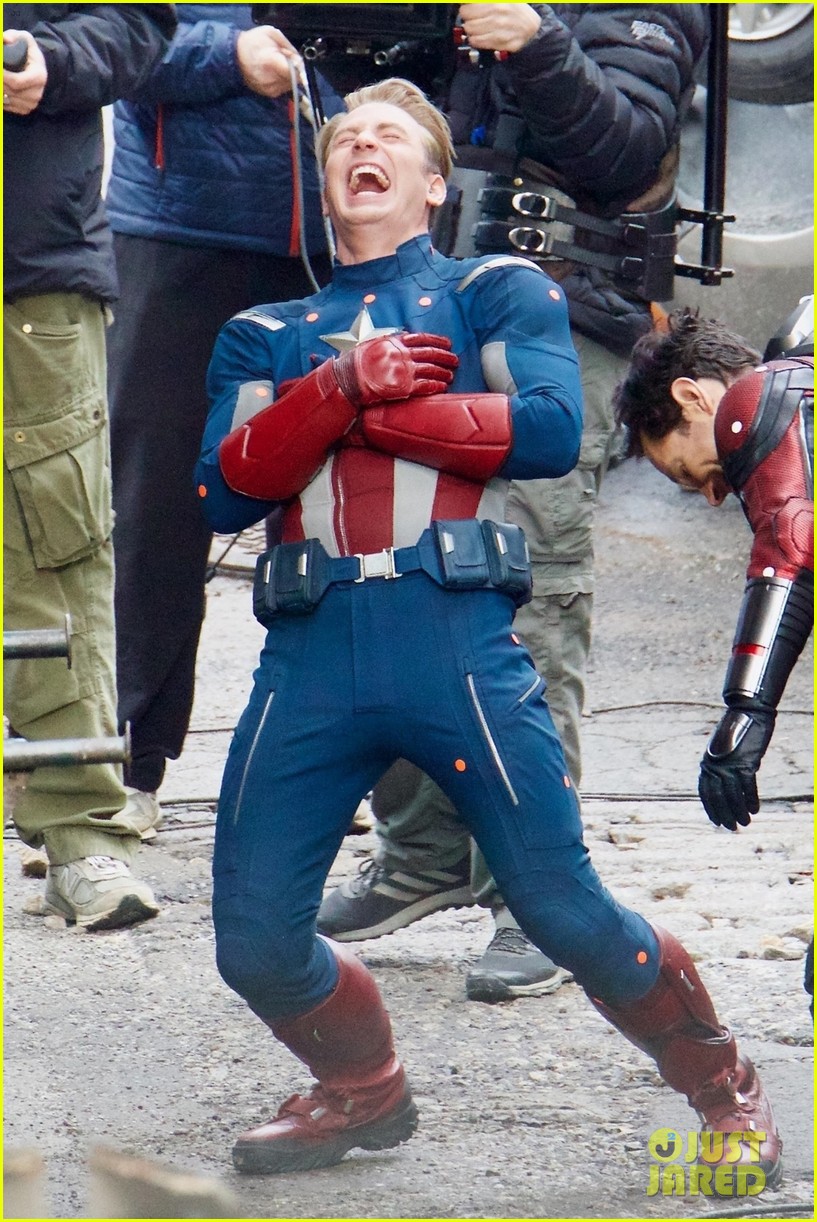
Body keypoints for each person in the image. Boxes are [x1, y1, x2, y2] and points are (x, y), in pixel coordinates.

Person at [195, 78, 780, 1188]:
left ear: (432, 184)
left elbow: (551, 430)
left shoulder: (494, 288)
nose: (362, 148)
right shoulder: (261, 332)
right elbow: (224, 489)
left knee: (562, 908)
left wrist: (360, 408)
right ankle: (361, 1086)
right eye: (344, 139)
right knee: (253, 941)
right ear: (324, 178)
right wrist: (336, 386)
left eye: (389, 138)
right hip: (309, 649)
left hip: (453, 638)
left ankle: (723, 1088)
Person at [317, 1, 708, 1003]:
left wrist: (533, 40)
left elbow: (628, 149)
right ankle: (423, 853)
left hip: (558, 323)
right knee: (379, 569)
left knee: (523, 606)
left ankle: (536, 898)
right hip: (424, 301)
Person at [104, 5, 340, 821]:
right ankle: (129, 761)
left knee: (337, 512)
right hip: (177, 230)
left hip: (339, 232)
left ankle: (329, 760)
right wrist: (227, 56)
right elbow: (106, 43)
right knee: (153, 511)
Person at [3, 3, 175, 930]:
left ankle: (80, 835)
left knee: (57, 553)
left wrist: (50, 59)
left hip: (29, 272)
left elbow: (139, 19)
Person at [612, 308, 813, 832]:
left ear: (691, 396)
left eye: (689, 471)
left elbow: (791, 540)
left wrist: (746, 711)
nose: (713, 496)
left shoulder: (765, 396)